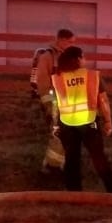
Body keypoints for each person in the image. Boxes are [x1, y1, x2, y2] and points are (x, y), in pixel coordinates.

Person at [51, 45, 112, 193]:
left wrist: (56, 124)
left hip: (66, 123)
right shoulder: (92, 76)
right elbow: (103, 100)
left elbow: (56, 102)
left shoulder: (59, 77)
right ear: (78, 59)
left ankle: (74, 193)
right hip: (89, 122)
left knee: (71, 159)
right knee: (98, 157)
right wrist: (108, 121)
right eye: (84, 57)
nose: (85, 60)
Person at [30, 28, 75, 174]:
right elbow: (42, 81)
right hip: (54, 99)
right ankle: (52, 166)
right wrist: (49, 103)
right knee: (58, 131)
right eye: (70, 42)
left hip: (66, 100)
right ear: (61, 40)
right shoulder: (48, 56)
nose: (72, 45)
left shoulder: (67, 56)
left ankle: (58, 163)